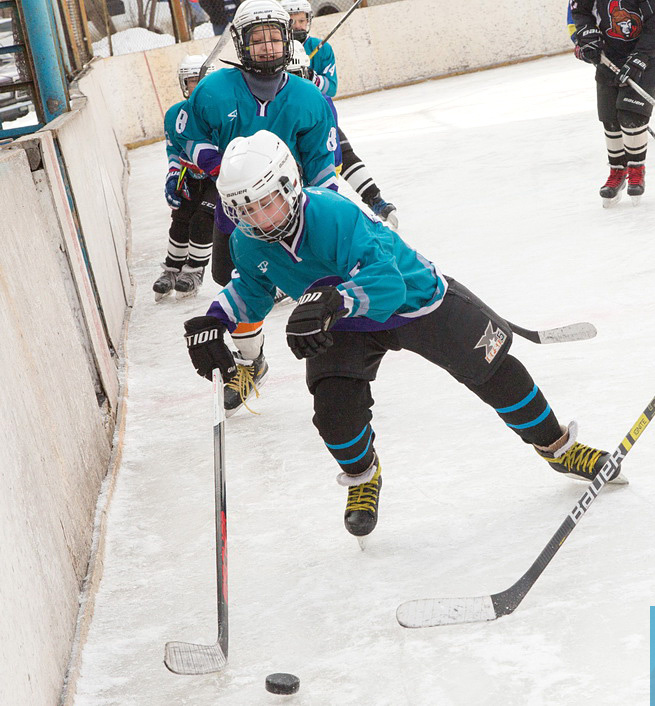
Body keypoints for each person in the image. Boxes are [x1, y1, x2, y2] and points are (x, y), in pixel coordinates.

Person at [181, 130, 623, 537]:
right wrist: (214, 320)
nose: (258, 217)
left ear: (289, 185)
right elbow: (253, 287)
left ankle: (558, 447)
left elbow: (387, 284)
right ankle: (363, 476)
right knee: (334, 411)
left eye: (265, 201)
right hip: (342, 322)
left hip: (414, 300)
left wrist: (333, 301)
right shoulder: (248, 240)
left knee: (494, 370)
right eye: (244, 208)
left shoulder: (333, 214)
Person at [177, 0, 342, 413]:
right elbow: (191, 140)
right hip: (234, 213)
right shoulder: (213, 91)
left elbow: (322, 167)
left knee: (325, 288)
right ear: (240, 42)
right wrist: (219, 166)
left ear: (287, 40)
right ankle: (252, 362)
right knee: (234, 283)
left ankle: (340, 364)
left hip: (293, 214)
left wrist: (332, 213)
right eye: (258, 38)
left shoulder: (308, 99)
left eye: (274, 37)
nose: (267, 46)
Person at [281, 0, 399, 227]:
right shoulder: (278, 49)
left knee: (344, 152)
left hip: (318, 115)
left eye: (302, 20)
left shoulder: (321, 48)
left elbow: (331, 87)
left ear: (309, 20)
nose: (297, 25)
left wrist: (311, 77)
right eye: (292, 21)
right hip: (286, 120)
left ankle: (375, 199)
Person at [568, 0, 655, 206]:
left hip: (647, 59)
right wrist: (589, 38)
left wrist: (640, 58)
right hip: (609, 56)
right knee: (610, 118)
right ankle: (617, 170)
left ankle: (636, 169)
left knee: (631, 116)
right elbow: (580, 11)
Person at [566, 1, 655, 122]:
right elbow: (577, 17)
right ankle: (628, 111)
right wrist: (581, 42)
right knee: (616, 80)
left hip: (642, 36)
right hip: (611, 41)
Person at [153, 55, 218, 301]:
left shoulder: (223, 111)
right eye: (193, 81)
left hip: (219, 177)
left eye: (204, 80)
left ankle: (194, 271)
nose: (199, 86)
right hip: (191, 174)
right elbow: (174, 150)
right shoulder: (174, 115)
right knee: (181, 218)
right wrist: (173, 176)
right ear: (184, 84)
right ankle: (172, 269)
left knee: (204, 218)